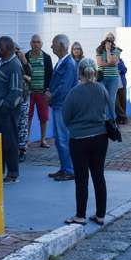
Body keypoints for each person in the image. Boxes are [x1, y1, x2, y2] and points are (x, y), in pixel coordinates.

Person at [62, 58, 115, 226]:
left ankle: (80, 215)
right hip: (100, 137)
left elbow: (66, 116)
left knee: (81, 178)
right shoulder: (101, 89)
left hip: (79, 139)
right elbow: (110, 110)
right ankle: (100, 215)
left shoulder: (74, 92)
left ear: (80, 72)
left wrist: (76, 127)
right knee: (99, 175)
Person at [0, 36, 24, 184]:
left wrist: (5, 106)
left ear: (8, 49)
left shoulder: (14, 66)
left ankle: (13, 173)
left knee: (10, 142)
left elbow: (16, 91)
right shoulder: (2, 63)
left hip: (7, 112)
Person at [46, 34, 78, 181]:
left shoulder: (69, 64)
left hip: (63, 105)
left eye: (54, 44)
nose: (52, 46)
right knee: (59, 139)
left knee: (63, 138)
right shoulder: (61, 62)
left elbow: (64, 87)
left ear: (62, 46)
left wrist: (51, 95)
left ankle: (69, 169)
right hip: (58, 104)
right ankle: (64, 167)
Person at [26, 35, 53, 149]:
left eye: (38, 42)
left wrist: (48, 89)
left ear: (41, 44)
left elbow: (50, 75)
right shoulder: (26, 56)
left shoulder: (46, 57)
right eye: (34, 42)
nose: (36, 44)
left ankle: (43, 140)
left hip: (42, 92)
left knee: (44, 117)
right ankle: (26, 140)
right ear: (30, 43)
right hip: (29, 93)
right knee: (28, 116)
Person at [15, 45, 33, 162]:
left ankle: (22, 149)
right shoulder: (7, 62)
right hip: (13, 98)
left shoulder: (23, 61)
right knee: (14, 124)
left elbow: (30, 75)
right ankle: (15, 148)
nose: (16, 53)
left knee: (23, 124)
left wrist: (24, 60)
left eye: (17, 51)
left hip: (24, 96)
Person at [96, 32, 122, 109]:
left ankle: (111, 119)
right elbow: (99, 64)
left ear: (114, 40)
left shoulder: (117, 50)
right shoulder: (99, 49)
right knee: (102, 99)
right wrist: (111, 64)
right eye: (108, 37)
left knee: (111, 99)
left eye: (111, 38)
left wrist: (108, 50)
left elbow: (112, 61)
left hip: (113, 78)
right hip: (102, 77)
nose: (109, 39)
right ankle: (104, 118)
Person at [115, 57, 128, 125]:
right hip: (113, 86)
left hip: (121, 84)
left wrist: (119, 70)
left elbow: (125, 70)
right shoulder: (110, 60)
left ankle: (122, 119)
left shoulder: (120, 61)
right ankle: (123, 116)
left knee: (123, 102)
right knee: (116, 103)